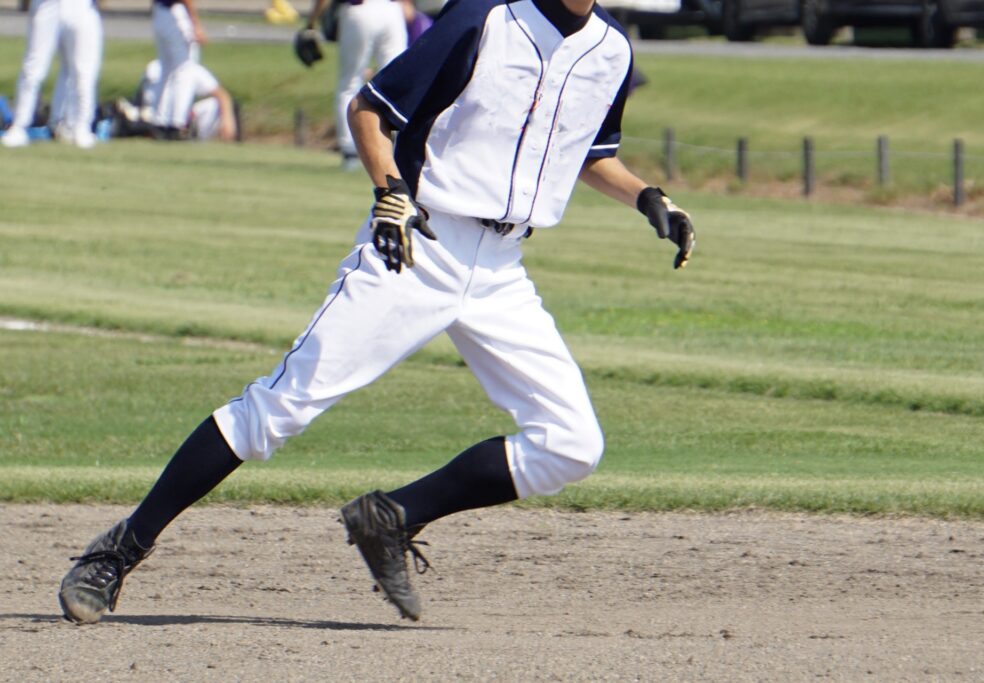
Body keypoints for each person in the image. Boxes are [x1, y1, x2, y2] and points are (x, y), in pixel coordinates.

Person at [57, 0, 696, 625]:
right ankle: (118, 551)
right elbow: (369, 109)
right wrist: (390, 192)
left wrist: (647, 197)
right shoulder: (481, 18)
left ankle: (391, 517)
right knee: (280, 408)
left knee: (572, 443)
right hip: (419, 243)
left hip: (502, 270)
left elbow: (588, 152)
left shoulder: (611, 48)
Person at [300, 0, 407, 169]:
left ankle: (350, 152)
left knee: (349, 84)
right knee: (398, 83)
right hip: (392, 11)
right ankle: (401, 147)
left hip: (360, 9)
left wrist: (310, 24)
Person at [1, 0, 102, 149]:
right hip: (47, 4)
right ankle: (19, 126)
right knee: (33, 68)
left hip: (81, 6)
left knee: (83, 71)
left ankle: (80, 126)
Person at [113, 59, 237, 141]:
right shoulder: (154, 68)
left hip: (187, 120)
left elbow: (223, 96)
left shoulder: (191, 68)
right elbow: (141, 100)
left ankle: (189, 137)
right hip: (154, 116)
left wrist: (227, 120)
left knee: (216, 106)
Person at [151, 0, 206, 140]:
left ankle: (160, 121)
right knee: (185, 71)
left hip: (159, 12)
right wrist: (196, 24)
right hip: (176, 14)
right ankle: (178, 124)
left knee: (166, 71)